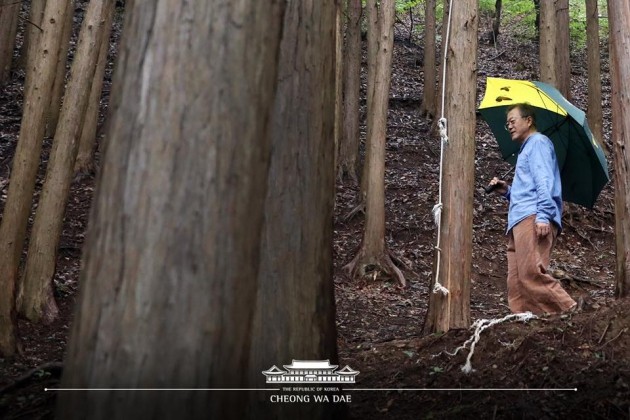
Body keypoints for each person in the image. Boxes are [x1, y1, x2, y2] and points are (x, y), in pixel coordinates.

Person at [488, 103, 576, 315]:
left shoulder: (538, 142)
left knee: (530, 274)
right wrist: (507, 190)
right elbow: (528, 188)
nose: (508, 126)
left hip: (533, 216)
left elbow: (544, 181)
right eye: (507, 122)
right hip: (518, 219)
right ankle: (523, 322)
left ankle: (572, 310)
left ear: (528, 121)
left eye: (513, 120)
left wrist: (544, 215)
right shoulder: (527, 148)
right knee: (516, 281)